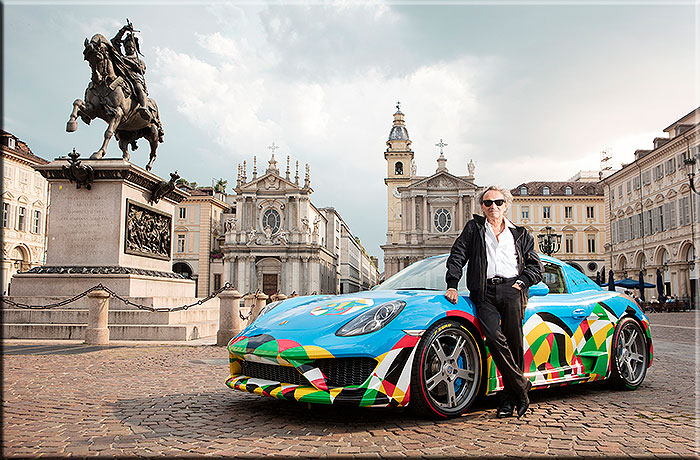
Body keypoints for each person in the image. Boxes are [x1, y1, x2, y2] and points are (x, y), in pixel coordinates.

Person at [444, 186, 543, 419]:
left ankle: (509, 400)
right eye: (488, 203)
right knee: (495, 339)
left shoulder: (520, 234)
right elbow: (457, 255)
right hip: (485, 292)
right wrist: (452, 283)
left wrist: (521, 283)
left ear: (506, 205)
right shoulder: (474, 229)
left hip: (512, 290)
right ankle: (521, 386)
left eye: (498, 202)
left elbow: (536, 267)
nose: (493, 207)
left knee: (514, 343)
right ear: (482, 207)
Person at [111, 21, 149, 119]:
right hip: (121, 78)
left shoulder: (138, 60)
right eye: (127, 47)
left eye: (131, 47)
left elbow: (142, 70)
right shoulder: (121, 57)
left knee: (138, 88)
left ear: (135, 48)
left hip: (134, 78)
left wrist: (128, 62)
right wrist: (123, 30)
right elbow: (114, 42)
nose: (129, 49)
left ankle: (144, 107)